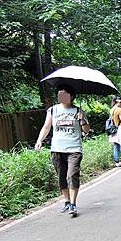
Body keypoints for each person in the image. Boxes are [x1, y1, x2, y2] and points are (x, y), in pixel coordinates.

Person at [35, 85, 90, 217]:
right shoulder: (52, 110)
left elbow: (86, 130)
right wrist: (39, 140)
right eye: (60, 94)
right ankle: (66, 201)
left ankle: (73, 204)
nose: (61, 97)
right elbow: (46, 127)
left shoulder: (78, 110)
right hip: (57, 148)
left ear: (71, 96)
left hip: (74, 148)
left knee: (72, 175)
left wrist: (82, 119)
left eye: (64, 94)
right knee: (61, 177)